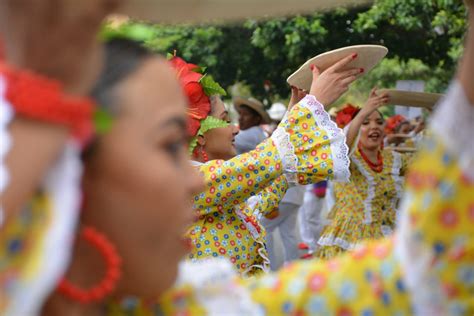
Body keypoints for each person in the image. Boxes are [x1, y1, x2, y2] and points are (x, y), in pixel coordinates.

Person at [1, 0, 473, 314]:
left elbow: (426, 272)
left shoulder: (189, 303)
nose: (190, 183)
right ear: (71, 173)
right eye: (165, 145)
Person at [170, 55, 356, 275]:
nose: (236, 129)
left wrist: (294, 114)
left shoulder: (221, 193)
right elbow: (263, 162)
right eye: (227, 120)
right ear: (200, 136)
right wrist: (313, 104)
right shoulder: (183, 183)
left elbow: (266, 179)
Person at [316, 87, 412, 259]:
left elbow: (432, 167)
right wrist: (362, 114)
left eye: (378, 122)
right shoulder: (347, 160)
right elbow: (340, 148)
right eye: (366, 123)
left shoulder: (395, 159)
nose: (374, 127)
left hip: (389, 239)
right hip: (351, 243)